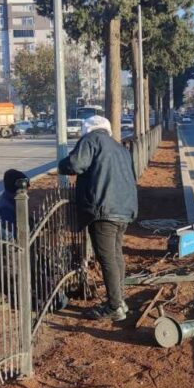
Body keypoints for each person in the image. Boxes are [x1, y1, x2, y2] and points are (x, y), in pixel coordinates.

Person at [58, 115, 138, 321]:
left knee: (107, 258)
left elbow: (75, 164)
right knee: (116, 255)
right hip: (123, 210)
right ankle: (120, 300)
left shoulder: (92, 140)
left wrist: (62, 164)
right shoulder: (119, 148)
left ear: (88, 129)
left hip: (103, 210)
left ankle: (114, 306)